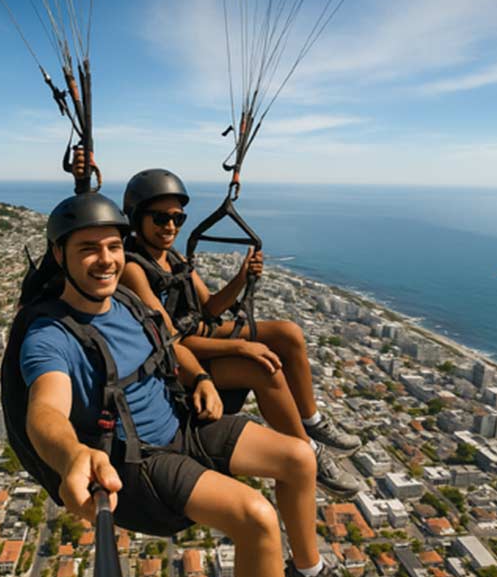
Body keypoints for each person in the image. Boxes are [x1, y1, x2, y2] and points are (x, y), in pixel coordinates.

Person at [19, 192, 351, 577]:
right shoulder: (51, 335)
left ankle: (309, 574)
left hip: (182, 420)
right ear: (59, 253)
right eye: (88, 249)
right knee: (257, 516)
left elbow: (171, 344)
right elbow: (45, 411)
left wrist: (200, 379)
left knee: (300, 457)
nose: (105, 259)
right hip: (142, 458)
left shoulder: (126, 302)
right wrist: (70, 455)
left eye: (113, 247)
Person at [119, 169, 363, 498]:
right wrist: (241, 348)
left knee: (288, 334)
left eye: (178, 218)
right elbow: (169, 339)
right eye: (160, 218)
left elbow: (211, 308)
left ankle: (312, 421)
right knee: (263, 367)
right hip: (176, 364)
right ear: (136, 217)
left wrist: (241, 277)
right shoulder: (134, 269)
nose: (171, 227)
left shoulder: (173, 258)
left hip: (199, 336)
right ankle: (308, 453)